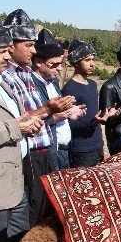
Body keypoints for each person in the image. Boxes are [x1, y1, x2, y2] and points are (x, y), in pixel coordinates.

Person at [1, 9, 74, 226]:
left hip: (44, 152)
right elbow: (18, 122)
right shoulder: (7, 76)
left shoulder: (25, 74)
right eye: (29, 45)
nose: (33, 51)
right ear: (11, 46)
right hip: (25, 158)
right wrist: (49, 110)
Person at [0, 25, 45, 242]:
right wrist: (17, 127)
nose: (6, 56)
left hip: (15, 185)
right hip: (1, 188)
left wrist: (28, 123)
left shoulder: (3, 83)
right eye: (0, 52)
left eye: (6, 50)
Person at [31, 29, 85, 170]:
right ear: (37, 62)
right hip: (47, 154)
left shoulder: (52, 82)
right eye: (53, 65)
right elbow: (27, 121)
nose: (59, 69)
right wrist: (54, 118)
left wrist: (70, 112)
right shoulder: (30, 86)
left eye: (61, 63)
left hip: (63, 151)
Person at [62, 39, 118, 168]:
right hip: (81, 150)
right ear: (76, 62)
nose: (92, 64)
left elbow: (94, 113)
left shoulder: (92, 84)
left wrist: (108, 115)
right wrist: (94, 122)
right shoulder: (70, 88)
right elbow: (69, 123)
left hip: (97, 145)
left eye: (93, 59)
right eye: (87, 60)